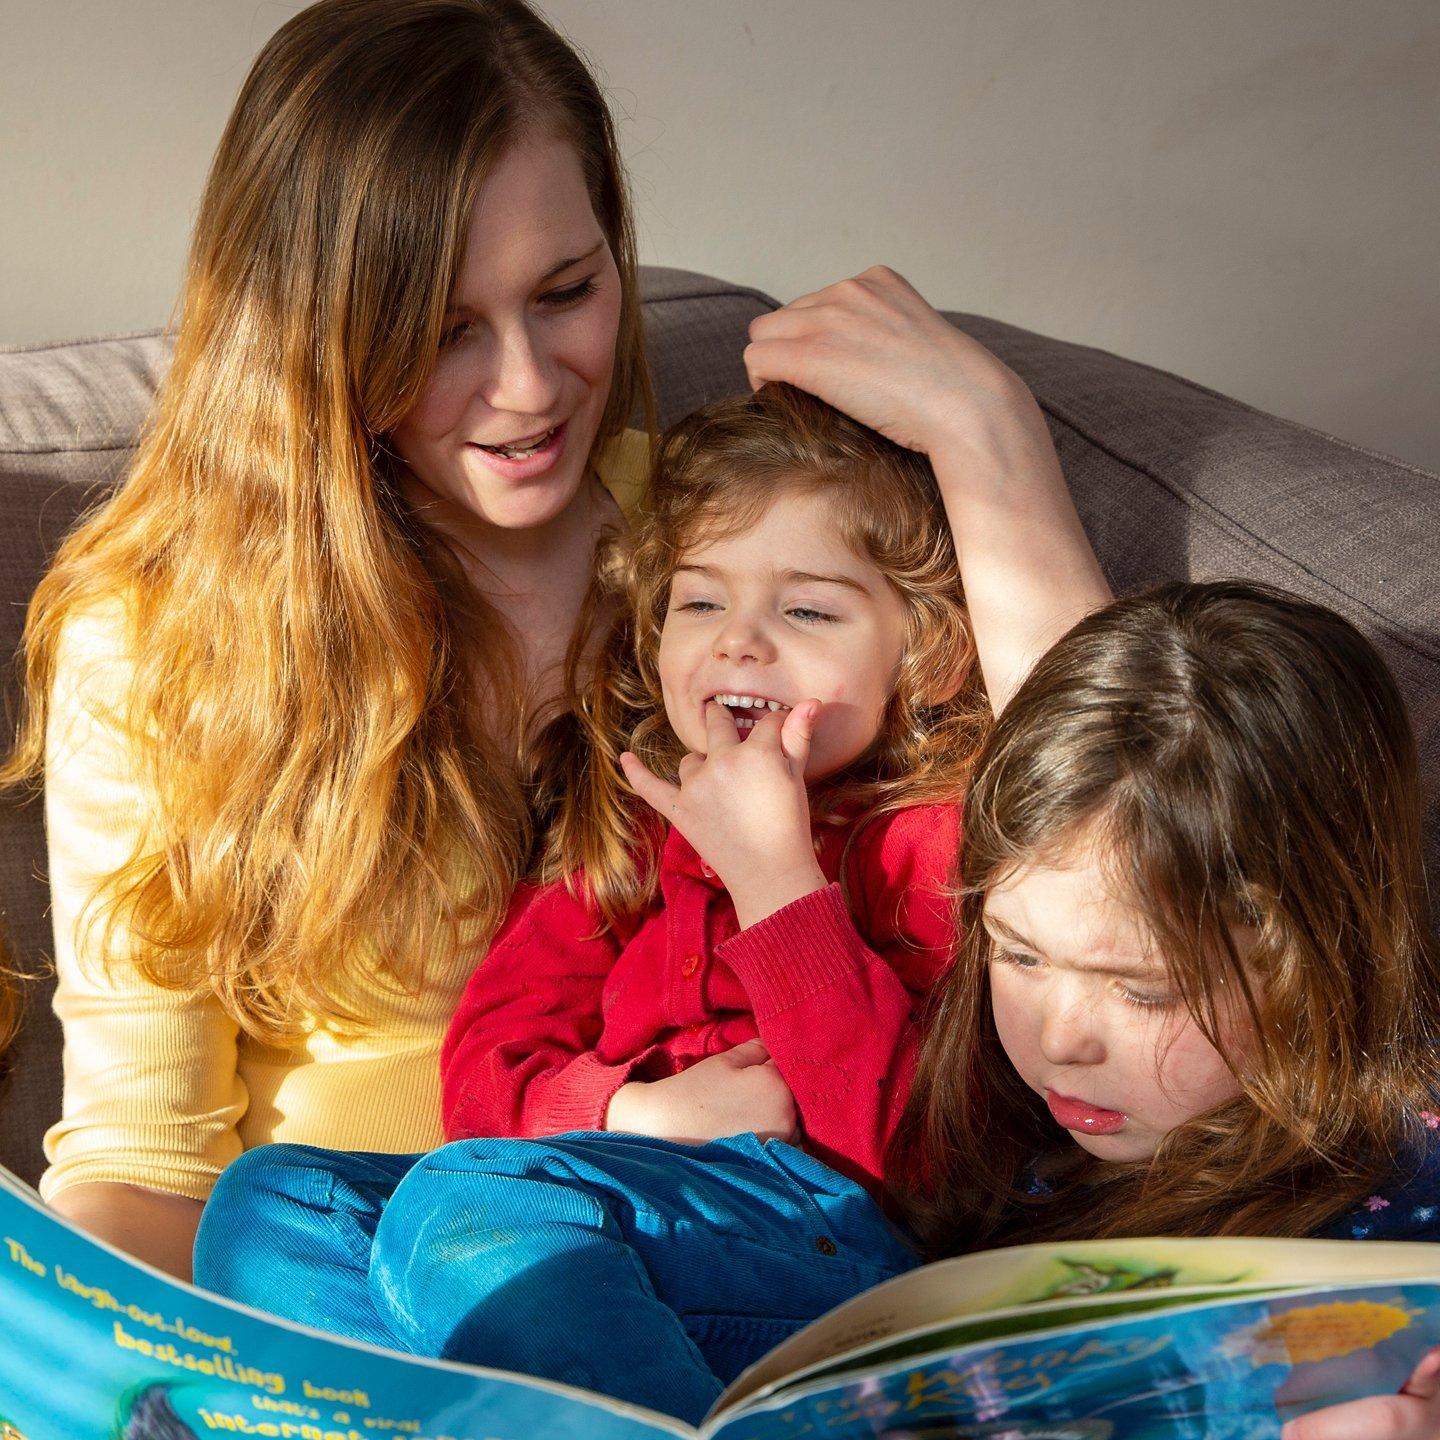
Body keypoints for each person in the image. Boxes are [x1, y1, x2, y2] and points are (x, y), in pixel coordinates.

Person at [0, 0, 1108, 1281]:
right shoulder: (156, 632)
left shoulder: (721, 561)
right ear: (317, 331)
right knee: (267, 1218)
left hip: (701, 1227)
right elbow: (145, 1165)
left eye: (565, 292)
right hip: (348, 1270)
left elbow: (1108, 841)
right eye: (441, 328)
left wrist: (989, 436)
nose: (526, 388)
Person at [195, 383, 997, 1421]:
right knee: (275, 1205)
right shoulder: (631, 825)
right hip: (602, 1211)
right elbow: (484, 1061)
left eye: (805, 609)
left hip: (839, 1247)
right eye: (701, 602)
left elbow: (925, 1164)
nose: (739, 642)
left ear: (924, 653)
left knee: (476, 1206)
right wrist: (631, 1112)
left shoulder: (931, 838)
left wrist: (776, 882)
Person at [889, 580, 1440, 1440]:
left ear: (1315, 957)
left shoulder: (1404, 1224)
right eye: (1020, 954)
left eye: (1143, 990)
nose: (1059, 1041)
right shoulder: (1038, 1137)